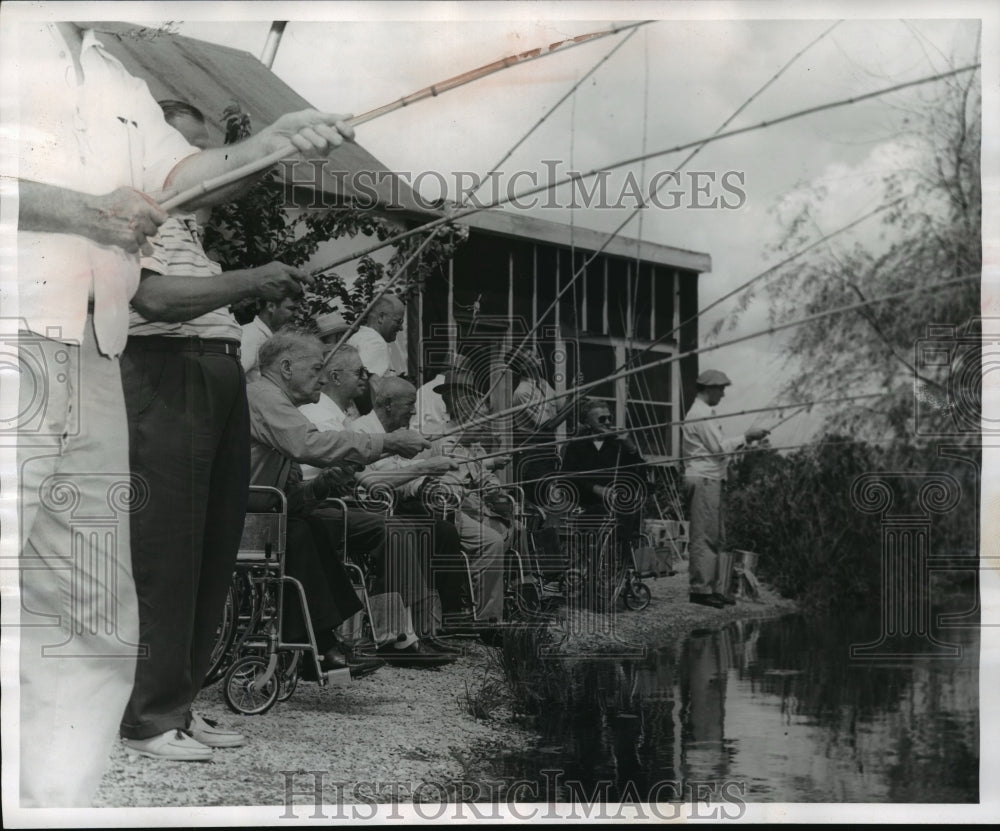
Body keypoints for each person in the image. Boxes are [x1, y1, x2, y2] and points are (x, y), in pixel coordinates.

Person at [10, 20, 354, 806]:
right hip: (23, 339)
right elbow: (150, 278)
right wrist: (80, 212)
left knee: (95, 600)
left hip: (97, 346)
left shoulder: (114, 73)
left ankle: (61, 798)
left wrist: (273, 140)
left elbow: (184, 173)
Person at [118, 100, 315, 761]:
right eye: (193, 151)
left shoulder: (189, 227)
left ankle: (181, 701)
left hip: (216, 374)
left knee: (211, 552)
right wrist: (252, 278)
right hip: (169, 373)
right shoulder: (134, 213)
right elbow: (154, 299)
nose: (207, 170)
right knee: (168, 552)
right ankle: (146, 715)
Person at [246, 332, 453, 668]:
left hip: (272, 509)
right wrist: (387, 443)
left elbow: (296, 486)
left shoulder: (277, 401)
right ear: (285, 367)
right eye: (315, 370)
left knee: (307, 528)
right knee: (304, 532)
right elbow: (309, 445)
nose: (321, 378)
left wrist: (326, 483)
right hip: (246, 516)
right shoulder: (265, 397)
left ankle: (323, 643)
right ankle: (325, 646)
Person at [354, 378, 508, 630]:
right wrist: (425, 478)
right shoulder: (362, 430)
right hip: (374, 509)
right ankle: (404, 628)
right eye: (410, 404)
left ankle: (448, 618)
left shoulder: (403, 433)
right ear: (389, 405)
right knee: (432, 532)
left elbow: (407, 474)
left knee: (444, 532)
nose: (414, 411)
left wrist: (426, 484)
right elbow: (378, 481)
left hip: (413, 506)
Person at [682, 370, 768, 609]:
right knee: (705, 535)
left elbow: (715, 452)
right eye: (721, 389)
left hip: (710, 478)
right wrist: (747, 437)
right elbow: (719, 448)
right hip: (704, 479)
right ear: (709, 388)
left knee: (716, 535)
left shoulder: (704, 413)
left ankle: (712, 588)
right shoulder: (700, 414)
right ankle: (700, 590)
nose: (723, 394)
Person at [347, 293, 407, 379]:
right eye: (398, 321)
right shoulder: (376, 343)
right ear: (381, 317)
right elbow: (368, 385)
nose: (401, 328)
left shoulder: (358, 337)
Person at [241, 296, 299, 382]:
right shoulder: (250, 336)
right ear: (271, 306)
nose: (297, 314)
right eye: (291, 309)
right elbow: (230, 377)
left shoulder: (275, 337)